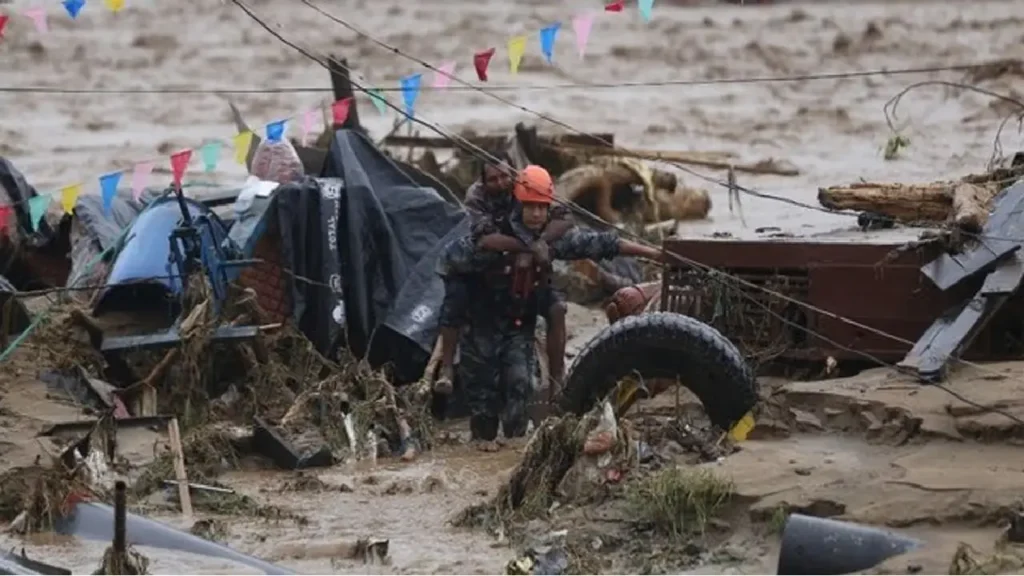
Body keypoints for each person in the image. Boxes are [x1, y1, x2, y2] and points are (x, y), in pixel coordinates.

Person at [444, 165, 664, 450]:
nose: (536, 215)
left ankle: (513, 453)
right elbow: (454, 260)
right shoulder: (493, 233)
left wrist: (654, 253)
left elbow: (600, 243)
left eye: (542, 208)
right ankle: (479, 447)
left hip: (517, 326)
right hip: (481, 326)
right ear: (517, 204)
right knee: (484, 409)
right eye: (530, 208)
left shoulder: (551, 238)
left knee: (521, 387)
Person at [434, 153, 574, 397]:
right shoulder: (476, 197)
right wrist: (529, 245)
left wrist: (541, 241)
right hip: (482, 264)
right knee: (455, 300)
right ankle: (446, 367)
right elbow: (486, 239)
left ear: (514, 175)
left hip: (524, 265)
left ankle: (557, 379)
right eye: (493, 179)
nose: (499, 183)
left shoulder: (527, 184)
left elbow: (565, 216)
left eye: (504, 177)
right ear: (483, 181)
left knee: (556, 308)